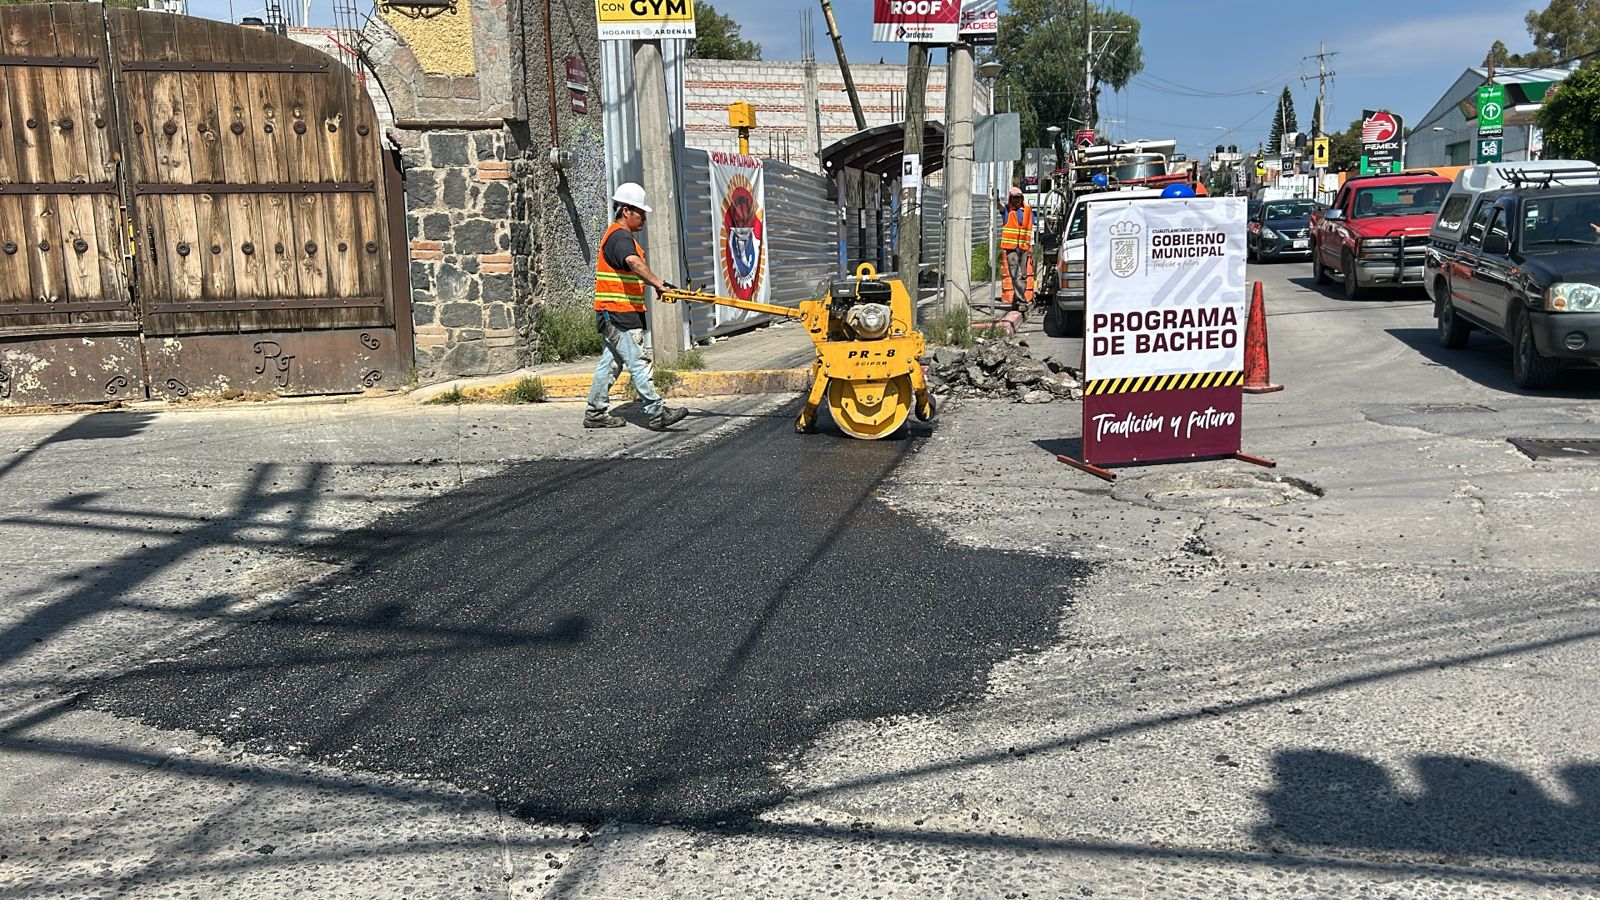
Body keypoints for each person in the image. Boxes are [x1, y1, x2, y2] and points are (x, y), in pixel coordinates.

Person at [585, 183, 688, 431]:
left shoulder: (617, 235)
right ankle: (656, 411)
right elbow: (633, 263)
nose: (643, 217)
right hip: (619, 314)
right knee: (639, 362)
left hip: (613, 312)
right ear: (626, 211)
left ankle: (595, 412)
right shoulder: (620, 237)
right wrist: (659, 284)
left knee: (610, 364)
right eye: (640, 212)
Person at [998, 187, 1034, 311]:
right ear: (1010, 198)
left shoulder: (1028, 210)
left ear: (1021, 198)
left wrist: (1032, 247)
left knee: (1023, 275)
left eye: (1018, 197)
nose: (1016, 200)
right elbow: (1000, 207)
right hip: (1011, 248)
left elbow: (1031, 229)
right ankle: (1022, 301)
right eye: (1014, 197)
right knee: (1015, 275)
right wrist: (996, 200)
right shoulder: (1007, 210)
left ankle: (1017, 300)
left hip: (1024, 247)